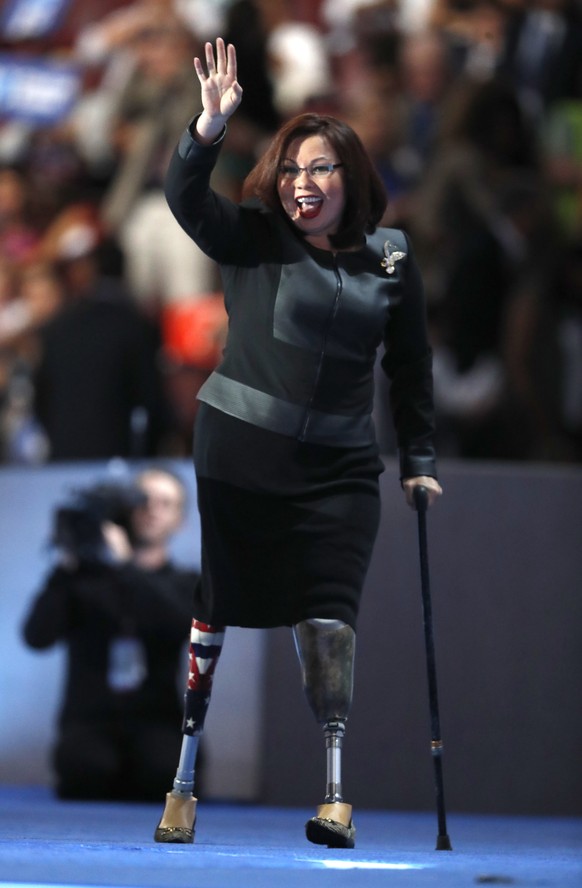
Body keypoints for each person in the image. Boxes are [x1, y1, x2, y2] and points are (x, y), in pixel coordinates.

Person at [154, 39, 442, 849]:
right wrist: (206, 129)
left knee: (330, 617)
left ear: (351, 176)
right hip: (243, 450)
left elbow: (412, 367)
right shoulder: (254, 236)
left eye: (318, 170)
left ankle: (335, 797)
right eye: (289, 171)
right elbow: (184, 196)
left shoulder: (392, 257)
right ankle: (182, 783)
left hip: (343, 468)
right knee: (218, 607)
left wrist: (418, 460)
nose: (302, 185)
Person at [22, 467, 198, 802]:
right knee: (86, 769)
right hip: (89, 724)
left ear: (180, 519)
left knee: (163, 774)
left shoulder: (184, 582)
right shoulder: (83, 578)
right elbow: (36, 636)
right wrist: (67, 564)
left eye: (166, 503)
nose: (152, 510)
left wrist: (125, 564)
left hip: (157, 722)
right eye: (143, 500)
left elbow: (180, 625)